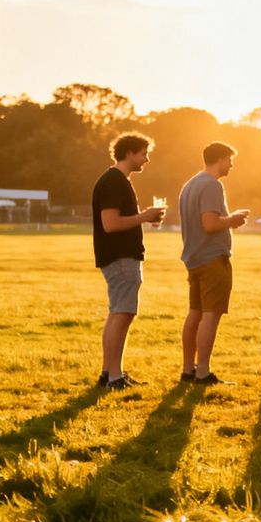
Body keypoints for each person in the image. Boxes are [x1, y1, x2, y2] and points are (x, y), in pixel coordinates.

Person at [91, 132, 167, 390]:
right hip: (120, 257)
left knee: (120, 313)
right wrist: (145, 216)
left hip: (121, 256)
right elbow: (110, 224)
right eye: (144, 154)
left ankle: (110, 373)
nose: (147, 159)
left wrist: (145, 217)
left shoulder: (117, 180)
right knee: (122, 313)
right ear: (129, 153)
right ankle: (114, 377)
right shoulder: (114, 181)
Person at [178, 141, 249, 386]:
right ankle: (203, 372)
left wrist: (228, 219)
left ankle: (188, 369)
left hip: (194, 258)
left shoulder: (190, 184)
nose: (231, 165)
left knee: (195, 313)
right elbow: (209, 224)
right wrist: (233, 220)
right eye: (229, 159)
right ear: (219, 159)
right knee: (210, 315)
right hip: (212, 258)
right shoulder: (212, 185)